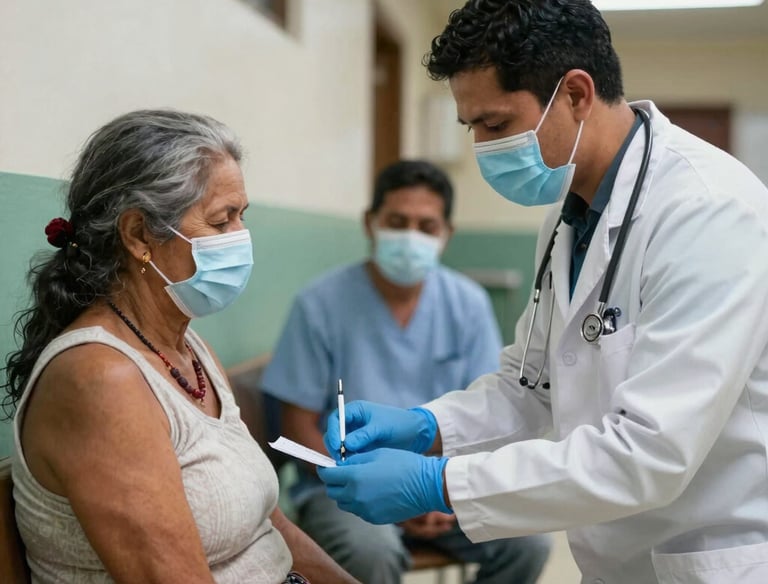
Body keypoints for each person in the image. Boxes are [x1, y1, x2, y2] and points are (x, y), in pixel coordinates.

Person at [317, 1, 768, 583]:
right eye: (472, 126)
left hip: (711, 558)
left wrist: (440, 483)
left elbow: (651, 452)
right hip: (617, 556)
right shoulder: (568, 215)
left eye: (496, 125)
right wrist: (427, 426)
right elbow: (531, 386)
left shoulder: (710, 211)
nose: (481, 147)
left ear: (576, 94)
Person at [1, 110, 359, 584]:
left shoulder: (190, 349)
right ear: (138, 235)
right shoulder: (101, 381)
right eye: (221, 220)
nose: (241, 238)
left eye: (241, 216)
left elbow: (265, 526)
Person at [261, 159, 550, 584]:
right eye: (397, 221)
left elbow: (492, 410)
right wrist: (365, 481)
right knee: (369, 552)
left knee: (529, 544)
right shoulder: (320, 304)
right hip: (344, 487)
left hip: (441, 481)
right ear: (370, 223)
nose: (411, 236)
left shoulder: (467, 304)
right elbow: (297, 424)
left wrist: (435, 487)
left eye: (426, 226)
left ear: (446, 234)